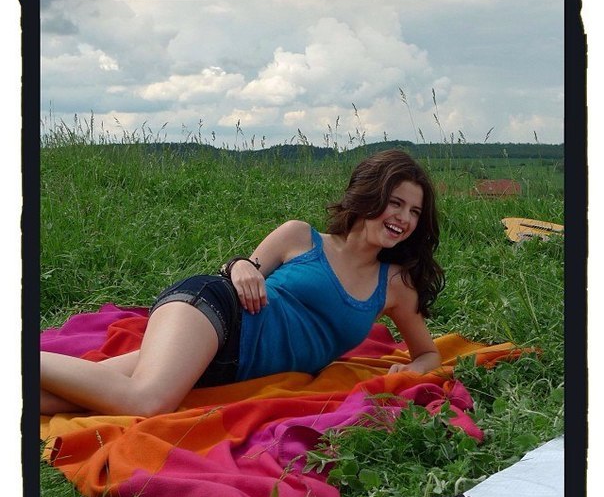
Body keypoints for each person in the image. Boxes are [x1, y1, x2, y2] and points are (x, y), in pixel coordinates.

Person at [40, 149, 445, 417]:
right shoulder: (300, 236)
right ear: (369, 196)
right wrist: (239, 265)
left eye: (414, 211)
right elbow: (240, 273)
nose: (404, 218)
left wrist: (411, 369)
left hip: (227, 365)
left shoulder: (394, 284)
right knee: (148, 402)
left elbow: (427, 353)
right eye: (396, 203)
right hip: (215, 315)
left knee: (59, 400)